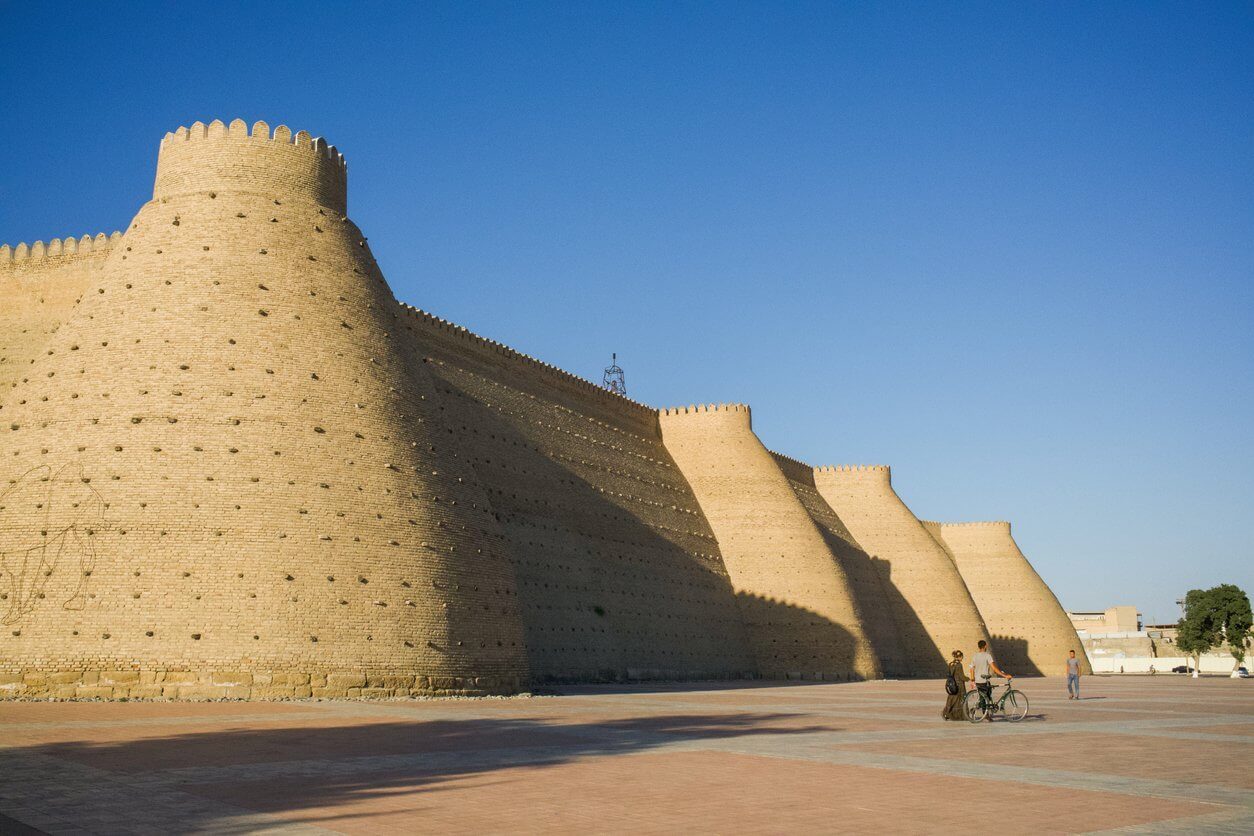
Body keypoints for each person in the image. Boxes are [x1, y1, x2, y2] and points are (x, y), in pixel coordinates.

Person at [969, 639, 1011, 719]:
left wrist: (972, 679)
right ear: (985, 646)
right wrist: (1004, 675)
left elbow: (971, 668)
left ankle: (984, 712)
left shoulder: (975, 656)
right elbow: (994, 669)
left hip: (977, 680)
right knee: (986, 698)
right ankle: (985, 714)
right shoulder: (987, 655)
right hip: (985, 681)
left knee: (983, 697)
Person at [942, 649, 969, 720]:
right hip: (959, 686)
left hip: (952, 685)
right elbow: (961, 676)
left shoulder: (951, 664)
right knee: (961, 700)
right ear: (959, 657)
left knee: (952, 699)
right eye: (962, 656)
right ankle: (961, 716)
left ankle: (947, 713)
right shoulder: (959, 665)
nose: (962, 658)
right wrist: (969, 679)